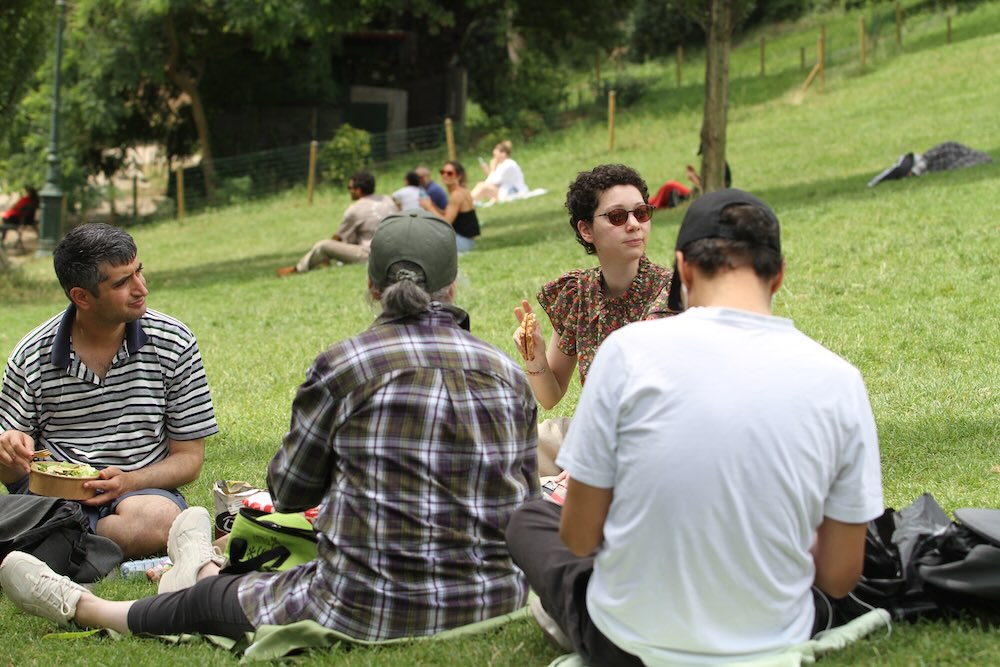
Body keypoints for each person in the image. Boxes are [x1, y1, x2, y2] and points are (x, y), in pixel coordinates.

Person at [0, 209, 540, 644]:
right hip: (493, 595)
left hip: (364, 603)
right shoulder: (508, 373)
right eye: (125, 279)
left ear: (372, 287)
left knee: (215, 598)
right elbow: (525, 504)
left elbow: (289, 492)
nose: (141, 286)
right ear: (453, 286)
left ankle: (86, 605)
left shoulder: (344, 365)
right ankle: (190, 561)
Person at [506, 189, 884, 666]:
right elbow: (839, 577)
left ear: (683, 270)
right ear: (779, 274)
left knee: (530, 520)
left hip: (629, 645)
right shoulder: (840, 380)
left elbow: (580, 538)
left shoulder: (627, 352)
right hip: (771, 639)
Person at [0, 223, 218, 559]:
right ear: (82, 297)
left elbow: (189, 459)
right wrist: (9, 450)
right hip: (56, 500)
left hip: (141, 493)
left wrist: (129, 481)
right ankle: (73, 543)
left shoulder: (174, 341)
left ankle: (61, 547)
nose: (141, 288)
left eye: (138, 271)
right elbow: (13, 475)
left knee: (161, 520)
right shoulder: (31, 355)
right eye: (121, 282)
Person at [512, 164, 677, 475]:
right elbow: (550, 396)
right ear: (586, 230)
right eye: (617, 216)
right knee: (505, 448)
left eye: (641, 213)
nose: (634, 225)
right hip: (593, 436)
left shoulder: (671, 295)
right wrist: (534, 355)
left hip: (656, 444)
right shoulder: (579, 292)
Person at [276, 170, 396, 277]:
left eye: (350, 188)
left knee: (323, 246)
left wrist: (326, 256)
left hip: (372, 256)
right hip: (396, 251)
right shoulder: (388, 200)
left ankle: (297, 269)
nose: (349, 191)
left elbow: (338, 238)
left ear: (358, 190)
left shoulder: (355, 209)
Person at [867, 141, 993, 187]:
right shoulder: (913, 166)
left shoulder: (916, 162)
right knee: (975, 160)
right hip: (944, 160)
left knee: (974, 159)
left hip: (941, 156)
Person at [420, 160, 480, 254]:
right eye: (442, 172)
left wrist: (429, 207)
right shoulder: (463, 190)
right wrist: (433, 206)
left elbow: (446, 223)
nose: (445, 175)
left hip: (462, 242)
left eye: (449, 173)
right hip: (467, 240)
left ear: (458, 176)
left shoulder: (456, 195)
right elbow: (450, 214)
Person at [470, 140, 528, 205]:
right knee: (481, 185)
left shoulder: (509, 164)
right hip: (506, 190)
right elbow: (492, 181)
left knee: (482, 186)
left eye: (495, 155)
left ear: (504, 154)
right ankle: (469, 202)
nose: (494, 158)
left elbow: (492, 181)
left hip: (513, 191)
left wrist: (492, 167)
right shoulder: (501, 165)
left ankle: (467, 202)